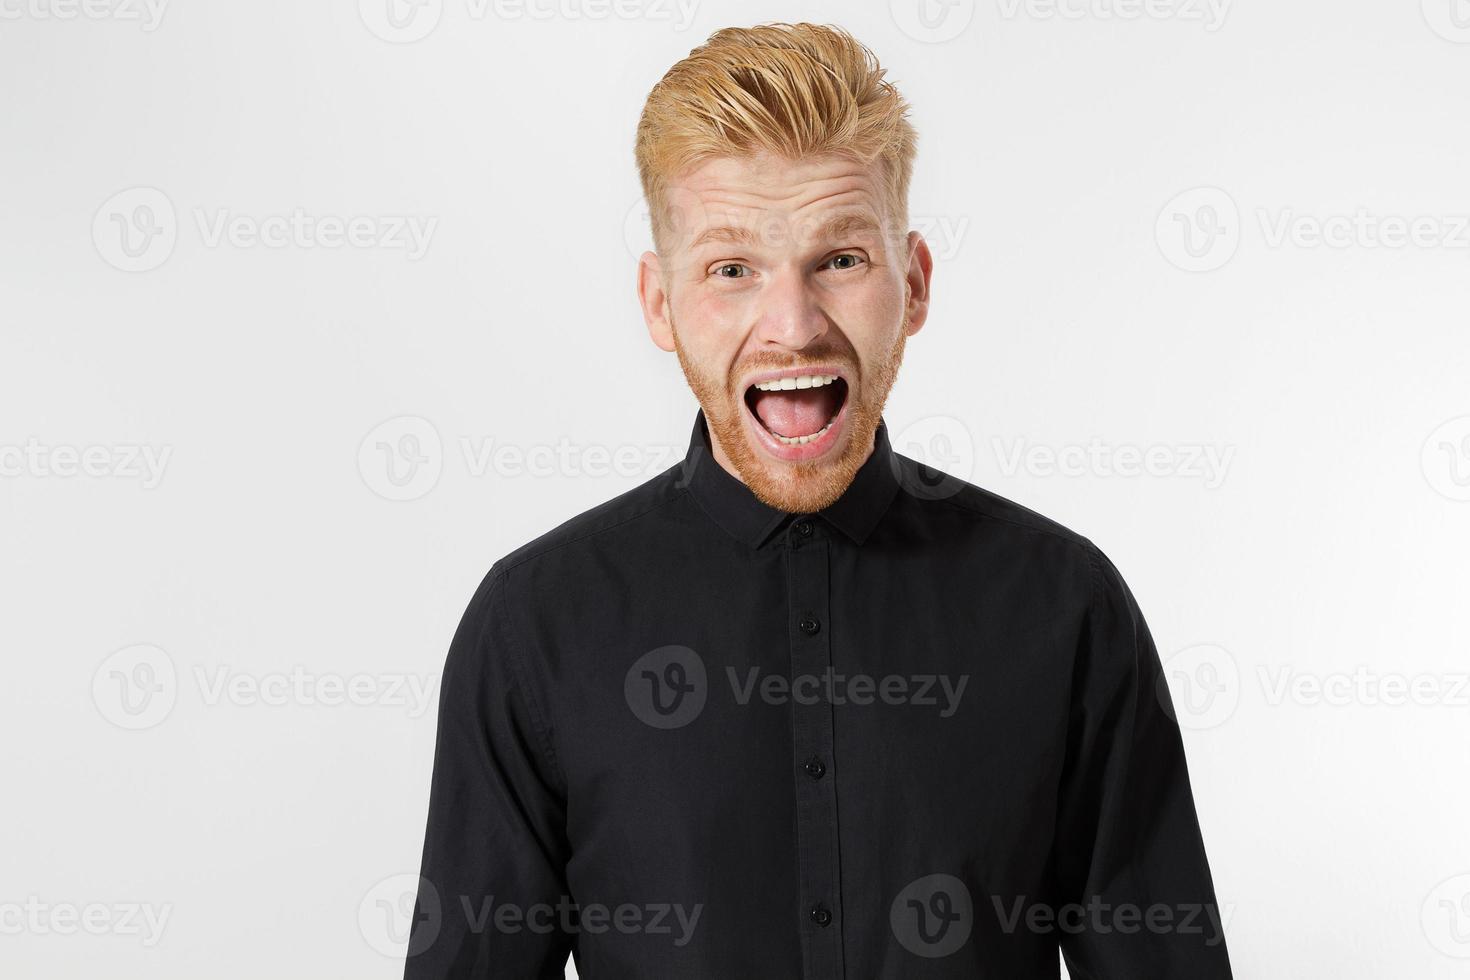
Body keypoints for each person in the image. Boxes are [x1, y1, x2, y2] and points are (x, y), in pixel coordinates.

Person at [404, 21, 1232, 979]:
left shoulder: (1068, 606)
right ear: (659, 304)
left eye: (840, 259)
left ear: (913, 284)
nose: (791, 327)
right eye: (731, 269)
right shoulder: (532, 626)